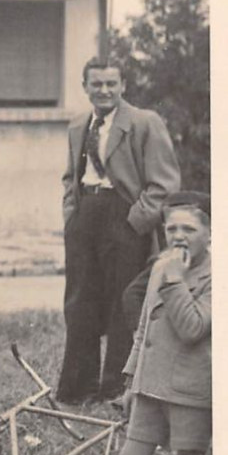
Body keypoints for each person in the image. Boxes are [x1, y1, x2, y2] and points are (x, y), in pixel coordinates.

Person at [59, 58, 180, 404]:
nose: (105, 91)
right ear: (85, 88)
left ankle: (115, 388)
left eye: (112, 83)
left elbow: (164, 183)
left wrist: (135, 221)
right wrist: (71, 213)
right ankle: (77, 388)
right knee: (79, 300)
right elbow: (71, 176)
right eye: (96, 84)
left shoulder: (144, 123)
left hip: (124, 216)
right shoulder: (79, 124)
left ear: (123, 85)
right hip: (86, 215)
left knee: (120, 300)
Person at [109, 192, 211, 455]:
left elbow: (193, 329)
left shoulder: (211, 273)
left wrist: (174, 280)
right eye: (171, 228)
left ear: (211, 232)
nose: (178, 236)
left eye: (189, 228)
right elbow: (144, 330)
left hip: (190, 386)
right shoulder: (164, 265)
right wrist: (131, 381)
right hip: (151, 383)